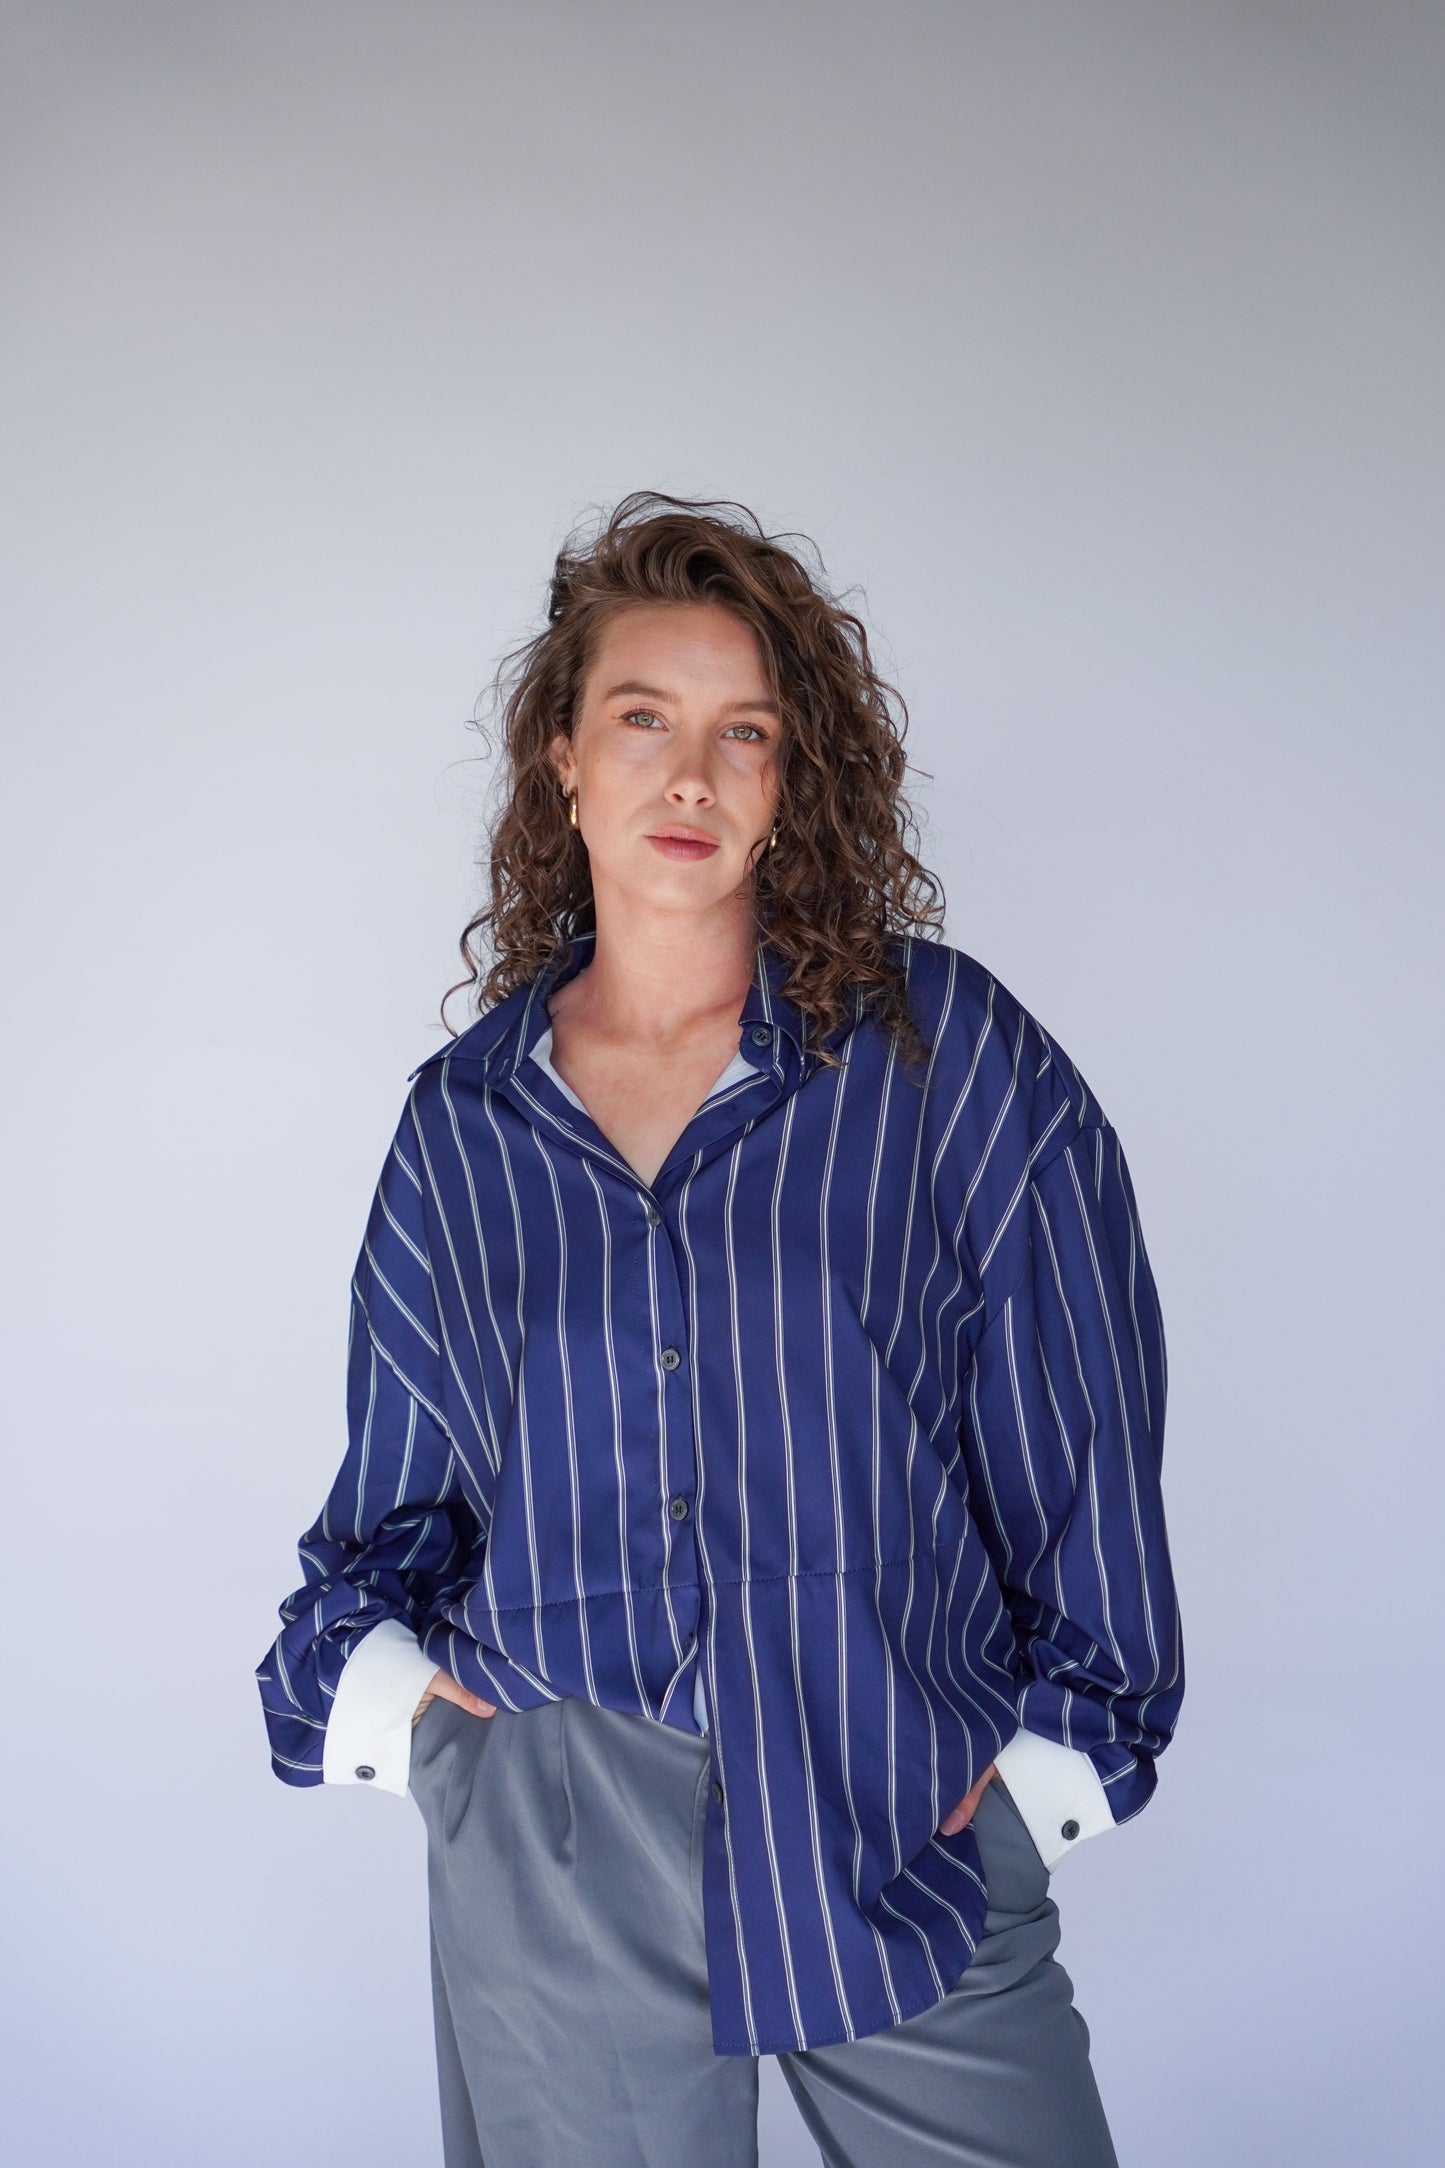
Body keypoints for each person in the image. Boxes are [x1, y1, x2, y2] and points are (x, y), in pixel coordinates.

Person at [255, 490, 1184, 2167]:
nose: (689, 775)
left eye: (741, 733)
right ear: (561, 758)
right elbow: (394, 1495)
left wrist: (1058, 1759)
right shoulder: (464, 1127)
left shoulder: (940, 1058)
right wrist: (420, 1732)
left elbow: (1084, 1411)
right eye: (642, 720)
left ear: (788, 780)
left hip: (892, 1785)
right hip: (558, 1819)